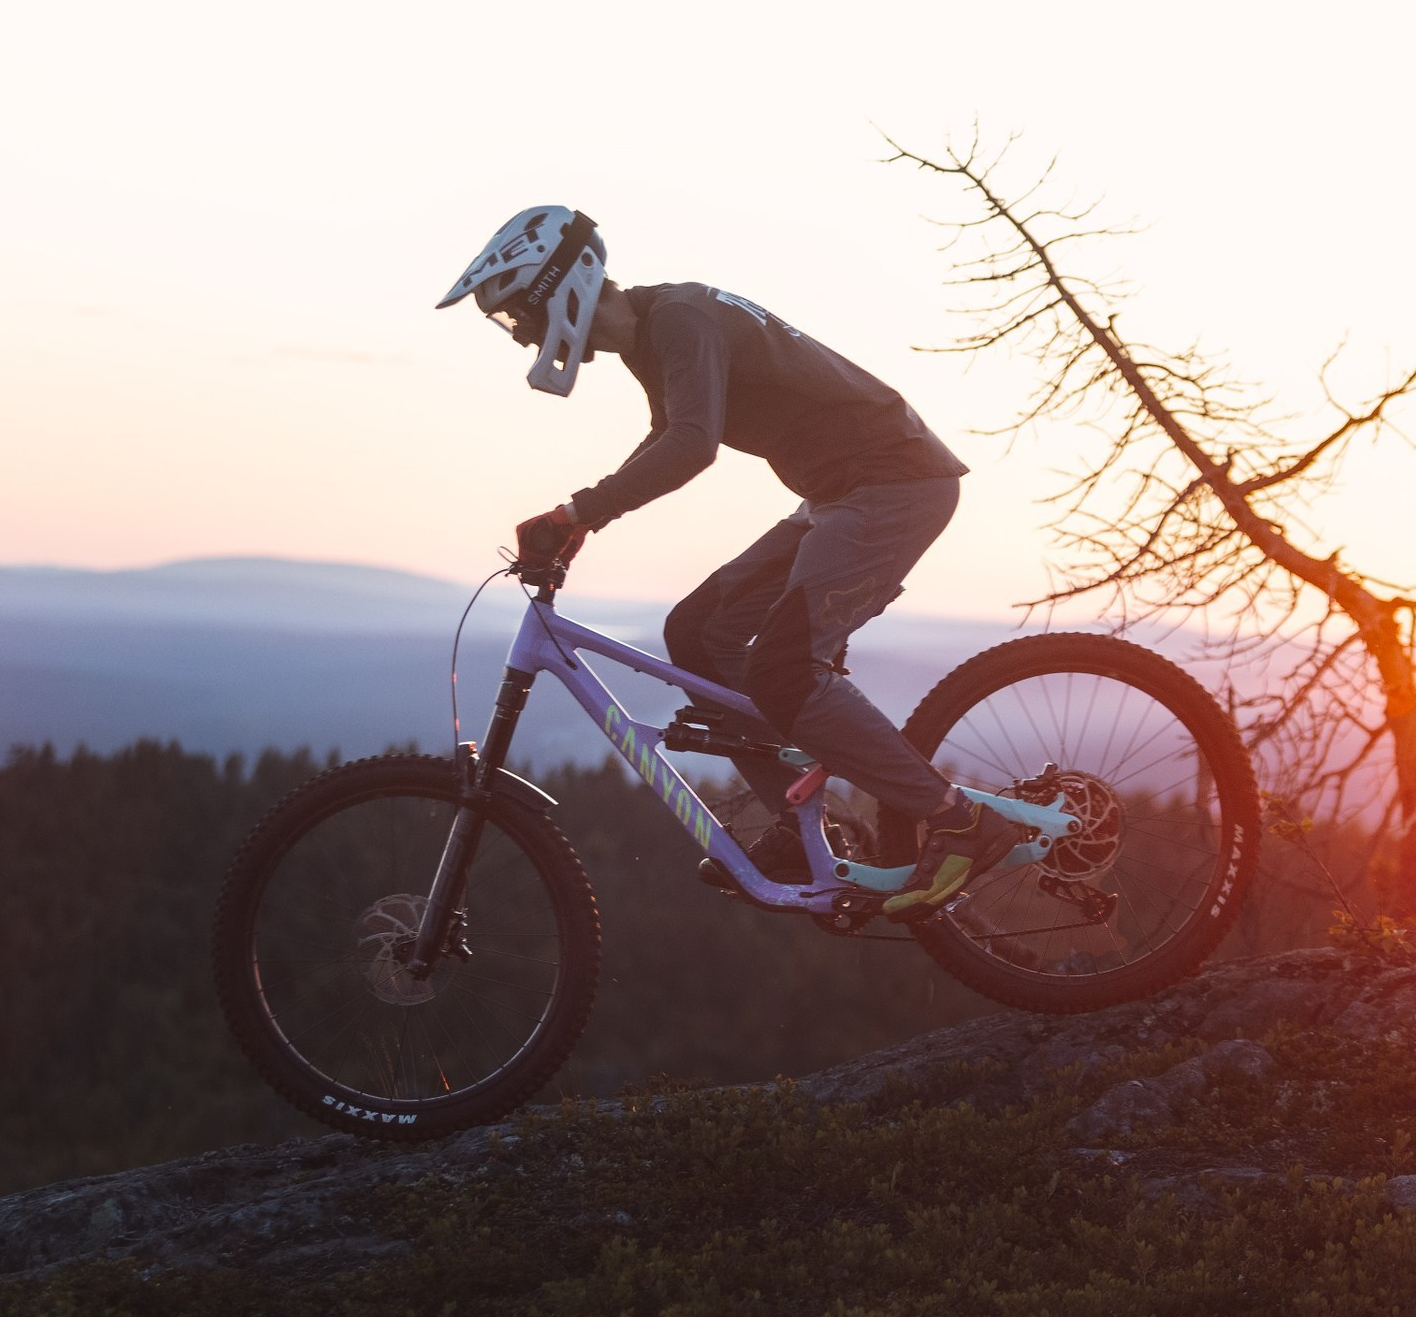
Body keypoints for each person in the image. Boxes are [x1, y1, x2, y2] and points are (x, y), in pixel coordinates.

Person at [436, 205, 1018, 921]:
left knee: (783, 669)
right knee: (698, 634)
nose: (523, 334)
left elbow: (692, 445)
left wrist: (576, 511)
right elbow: (670, 434)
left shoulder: (679, 319)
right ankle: (802, 824)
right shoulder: (655, 332)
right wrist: (586, 518)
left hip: (893, 483)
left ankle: (960, 820)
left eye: (519, 315)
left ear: (557, 288)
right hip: (840, 493)